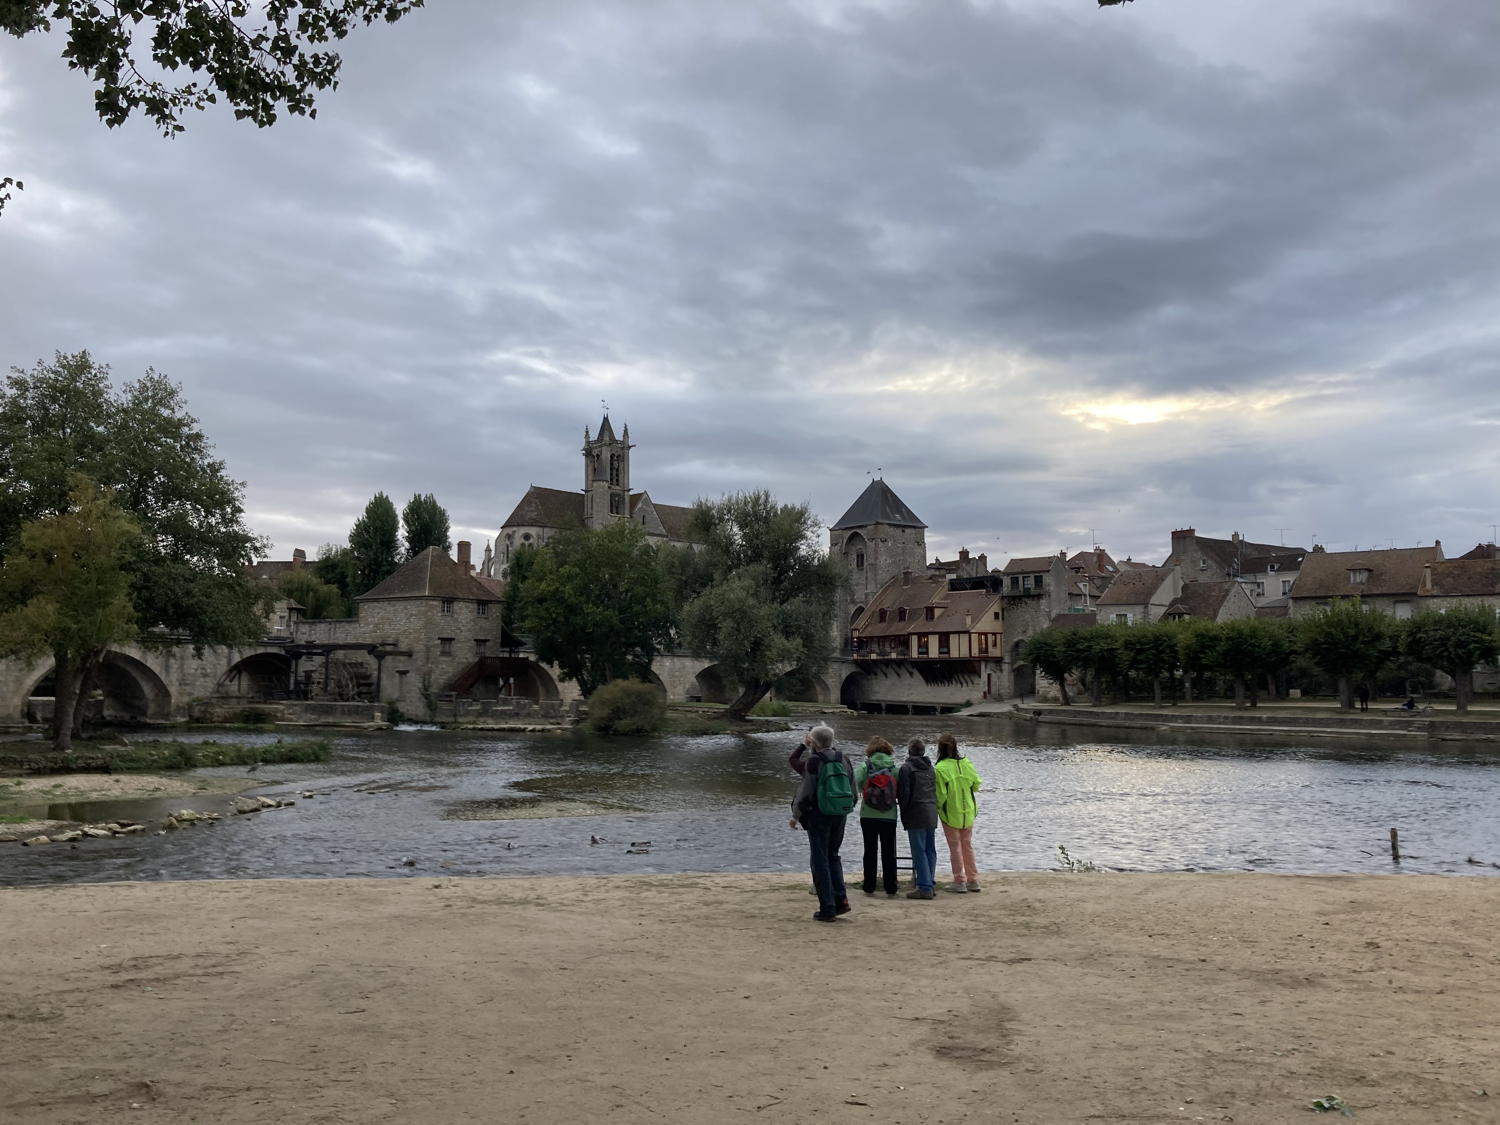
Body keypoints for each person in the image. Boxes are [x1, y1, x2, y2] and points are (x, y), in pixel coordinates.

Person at [789, 724, 855, 922]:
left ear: (814, 742)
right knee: (833, 855)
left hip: (819, 814)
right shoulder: (844, 758)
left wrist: (796, 815)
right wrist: (847, 807)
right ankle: (841, 900)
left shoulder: (814, 762)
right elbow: (853, 787)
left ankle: (827, 907)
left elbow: (806, 792)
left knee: (819, 859)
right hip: (840, 813)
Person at [933, 732, 982, 893]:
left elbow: (940, 795)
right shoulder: (966, 763)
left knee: (955, 848)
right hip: (968, 811)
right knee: (967, 846)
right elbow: (976, 784)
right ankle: (973, 879)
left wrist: (938, 809)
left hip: (950, 813)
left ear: (939, 749)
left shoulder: (940, 768)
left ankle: (959, 880)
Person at [854, 736, 900, 897]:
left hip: (868, 814)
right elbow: (900, 788)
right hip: (889, 815)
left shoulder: (864, 766)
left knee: (870, 850)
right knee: (889, 851)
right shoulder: (895, 768)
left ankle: (869, 886)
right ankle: (891, 887)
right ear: (888, 750)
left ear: (870, 750)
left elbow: (856, 784)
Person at [897, 737, 939, 900]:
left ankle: (924, 887)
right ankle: (930, 882)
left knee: (919, 850)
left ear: (909, 751)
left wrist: (904, 812)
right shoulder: (930, 768)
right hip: (930, 811)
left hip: (915, 812)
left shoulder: (906, 768)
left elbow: (904, 794)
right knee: (930, 849)